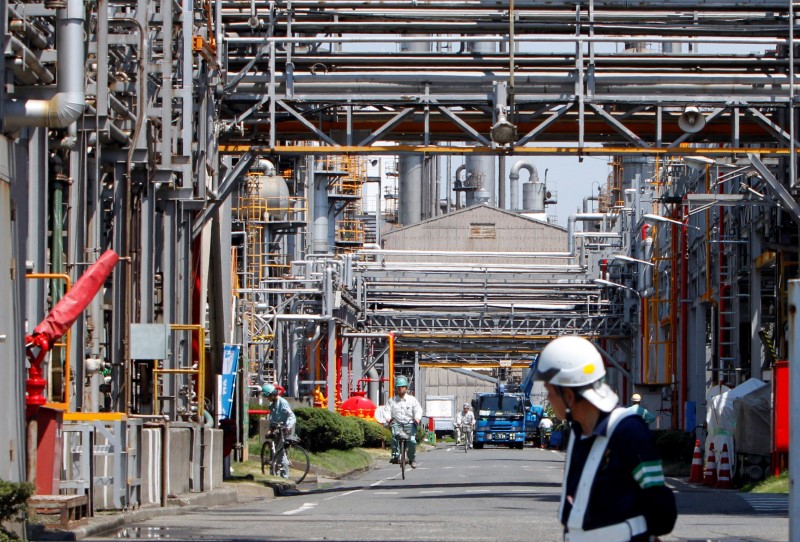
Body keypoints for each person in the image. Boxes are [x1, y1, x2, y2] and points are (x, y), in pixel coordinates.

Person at [535, 336, 676, 542]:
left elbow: (661, 509)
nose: (547, 398)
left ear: (569, 395)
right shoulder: (577, 432)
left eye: (549, 391)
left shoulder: (629, 431)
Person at [387, 375, 424, 468]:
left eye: (402, 387)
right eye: (398, 387)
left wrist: (417, 418)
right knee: (394, 438)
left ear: (406, 388)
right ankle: (395, 456)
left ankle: (412, 459)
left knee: (412, 441)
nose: (400, 389)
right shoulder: (392, 400)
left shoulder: (412, 400)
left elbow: (418, 410)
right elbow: (386, 410)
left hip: (409, 424)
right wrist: (388, 419)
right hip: (397, 424)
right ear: (396, 388)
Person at [262, 383, 296, 479]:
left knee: (281, 453)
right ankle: (274, 472)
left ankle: (285, 476)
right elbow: (272, 419)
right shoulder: (272, 404)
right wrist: (270, 430)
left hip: (284, 429)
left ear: (272, 395)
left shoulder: (283, 402)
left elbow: (291, 416)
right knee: (275, 450)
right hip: (276, 428)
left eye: (267, 396)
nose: (267, 398)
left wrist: (288, 426)